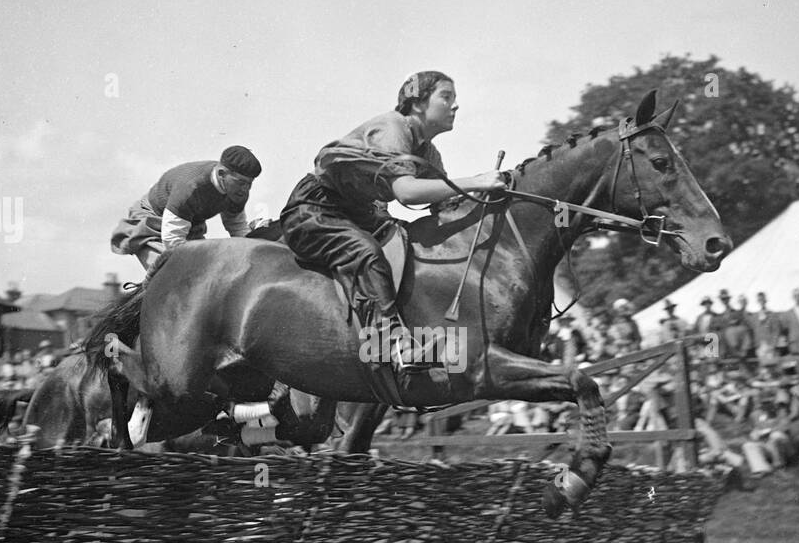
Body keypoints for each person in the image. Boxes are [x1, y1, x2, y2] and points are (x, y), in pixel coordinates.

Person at [278, 71, 506, 384]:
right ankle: (391, 344)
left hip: (357, 213)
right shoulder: (393, 127)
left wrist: (480, 196)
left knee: (405, 243)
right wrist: (474, 182)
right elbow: (407, 192)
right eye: (446, 97)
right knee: (366, 252)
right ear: (418, 103)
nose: (455, 106)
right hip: (314, 210)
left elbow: (444, 206)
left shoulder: (427, 152)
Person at [110, 146, 263, 271]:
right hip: (153, 220)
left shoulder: (237, 191)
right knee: (173, 273)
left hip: (188, 225)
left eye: (250, 183)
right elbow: (173, 241)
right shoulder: (190, 187)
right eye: (241, 182)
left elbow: (237, 229)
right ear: (222, 173)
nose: (245, 189)